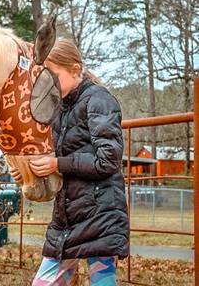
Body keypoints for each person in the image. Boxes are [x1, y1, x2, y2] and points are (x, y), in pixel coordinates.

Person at [11, 38, 129, 286]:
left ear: (75, 70)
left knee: (102, 282)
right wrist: (28, 172)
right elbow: (53, 156)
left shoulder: (99, 101)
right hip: (67, 218)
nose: (48, 84)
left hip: (101, 216)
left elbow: (108, 160)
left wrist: (57, 164)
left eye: (54, 75)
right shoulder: (57, 108)